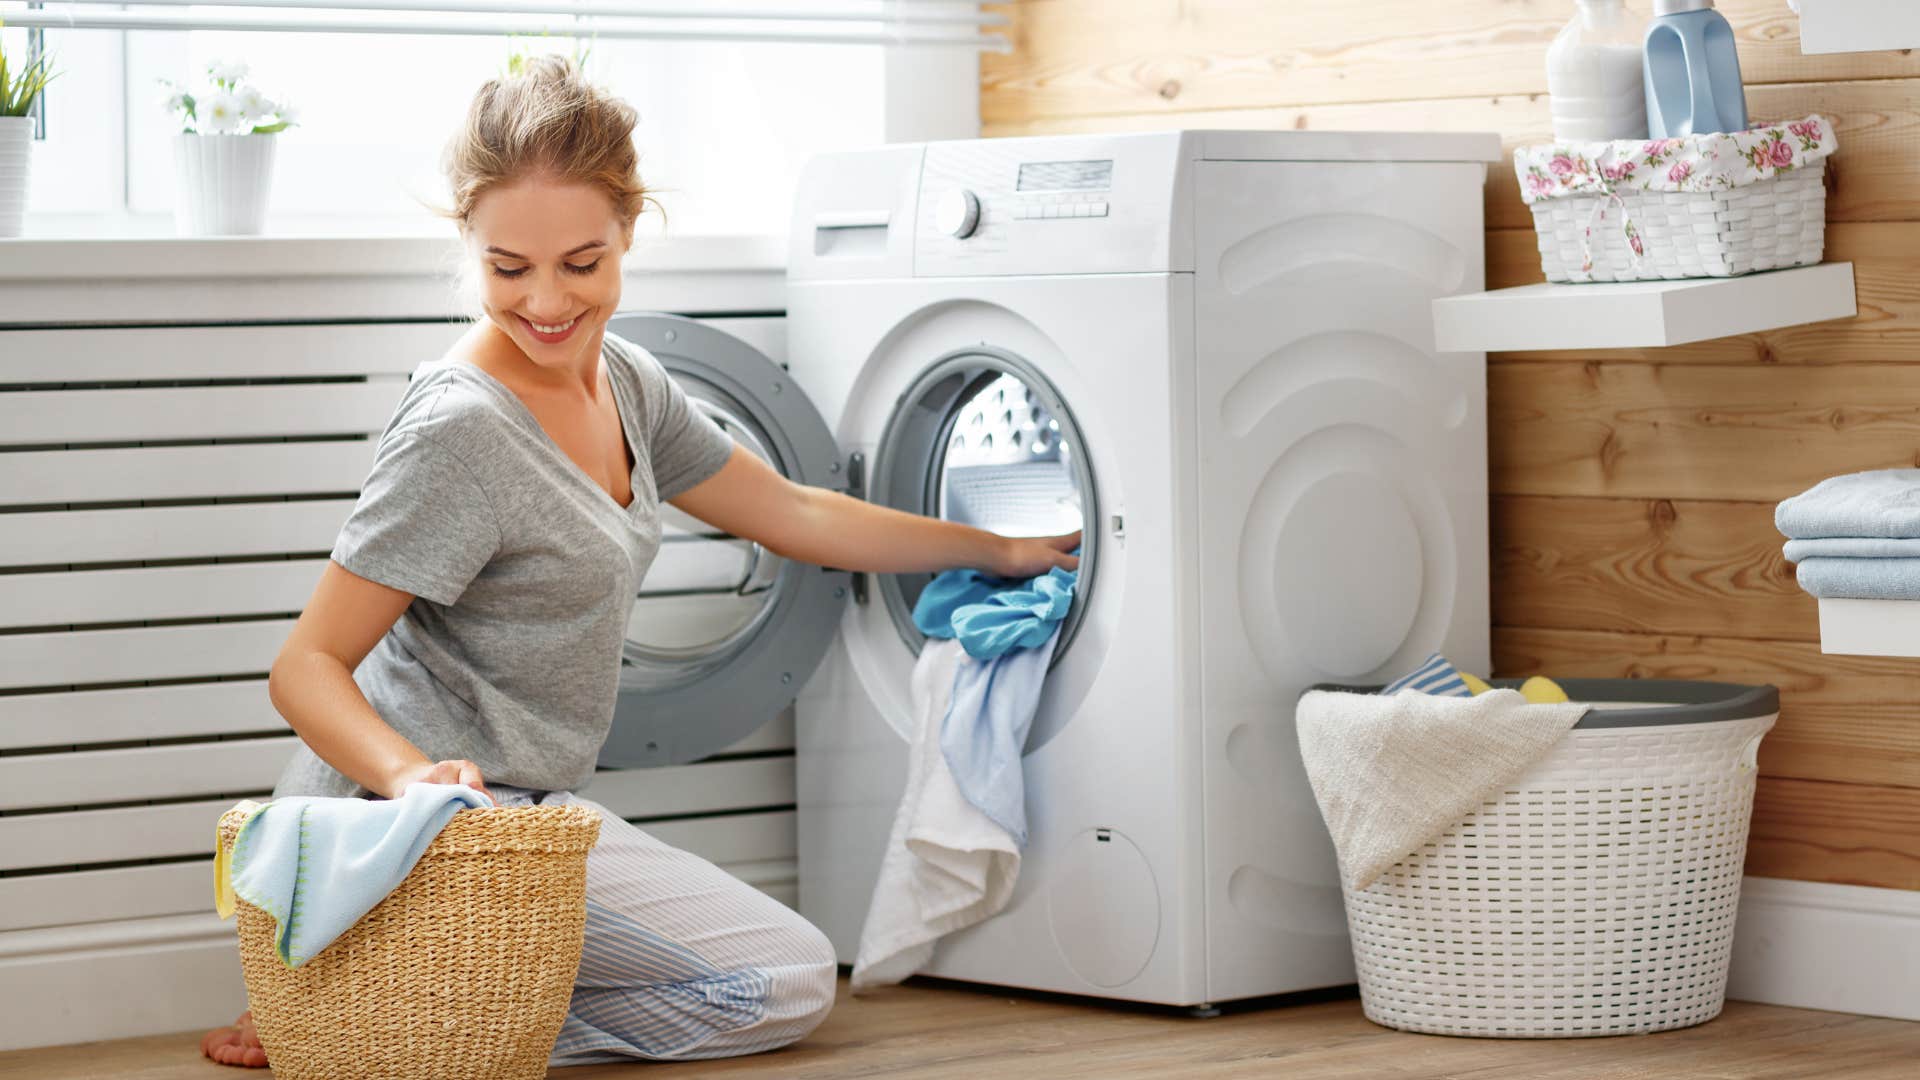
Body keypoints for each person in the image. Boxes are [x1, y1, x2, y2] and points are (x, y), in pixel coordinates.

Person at [201, 55, 1079, 1069]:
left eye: (581, 263)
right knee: (784, 982)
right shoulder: (459, 430)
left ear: (629, 229)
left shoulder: (626, 381)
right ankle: (388, 1014)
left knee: (781, 973)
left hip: (530, 821)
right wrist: (411, 780)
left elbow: (791, 511)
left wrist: (999, 546)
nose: (543, 302)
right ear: (469, 247)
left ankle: (393, 1018)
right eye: (506, 267)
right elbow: (303, 666)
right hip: (410, 826)